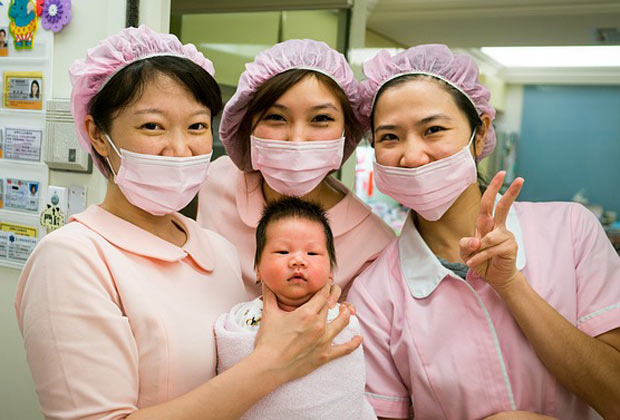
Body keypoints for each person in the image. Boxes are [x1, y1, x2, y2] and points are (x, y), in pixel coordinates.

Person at [15, 25, 360, 420]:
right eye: (152, 126)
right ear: (97, 133)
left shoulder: (217, 250)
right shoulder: (72, 258)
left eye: (196, 126)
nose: (180, 149)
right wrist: (272, 365)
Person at [348, 44, 620, 420]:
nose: (412, 156)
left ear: (480, 134)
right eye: (389, 137)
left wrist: (512, 286)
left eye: (433, 130)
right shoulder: (374, 293)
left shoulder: (571, 230)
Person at [197, 39, 395, 299]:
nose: (297, 139)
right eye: (276, 117)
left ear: (347, 130)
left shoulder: (373, 245)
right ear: (247, 124)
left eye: (321, 119)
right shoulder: (213, 181)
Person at [215, 196, 377, 420]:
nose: (298, 261)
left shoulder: (339, 318)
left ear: (331, 272)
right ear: (258, 269)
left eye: (312, 253)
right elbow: (231, 361)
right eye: (283, 252)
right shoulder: (240, 319)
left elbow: (348, 379)